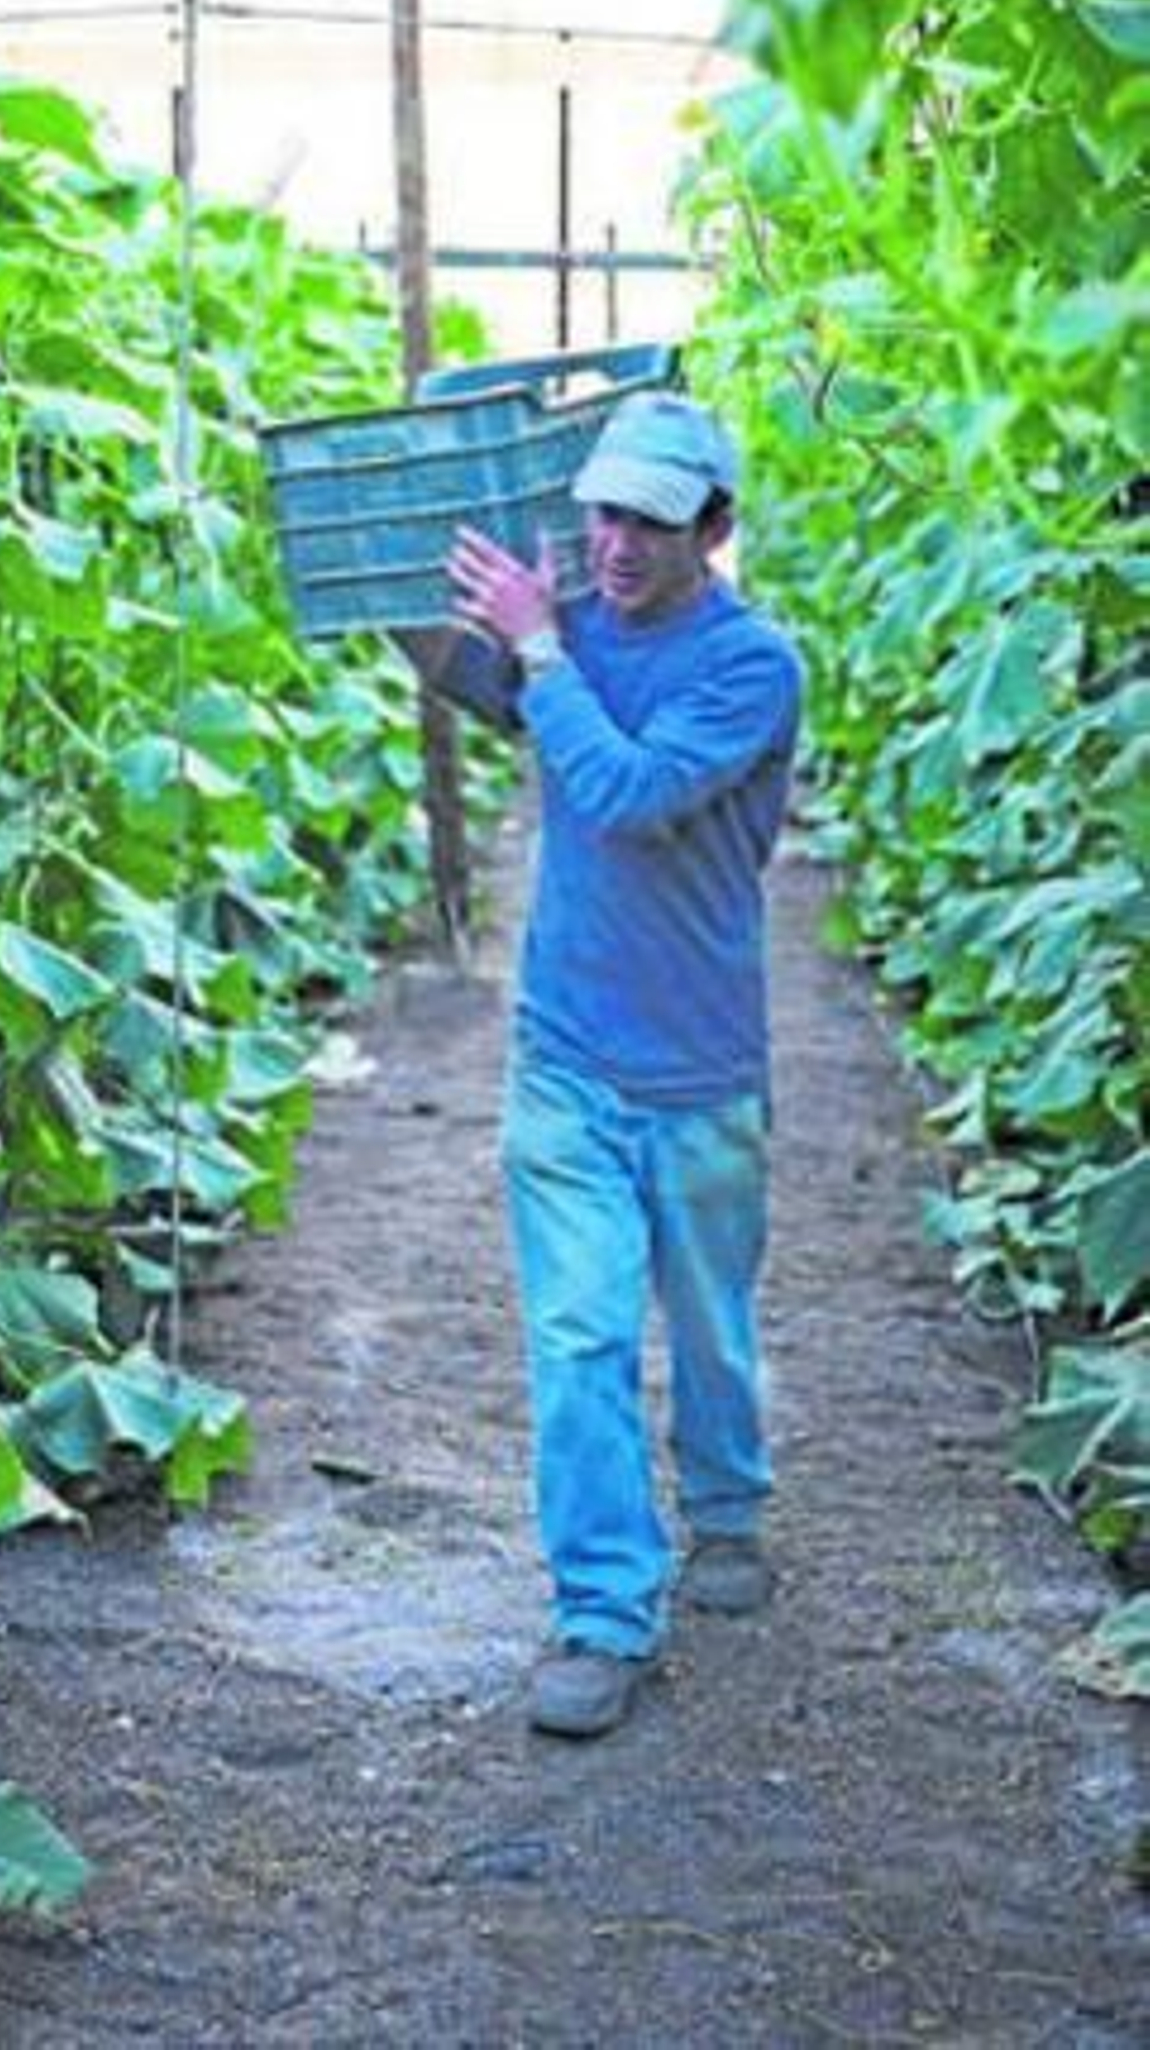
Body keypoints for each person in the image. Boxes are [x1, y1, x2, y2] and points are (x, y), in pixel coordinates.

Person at [447, 388, 803, 1739]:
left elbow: (631, 792)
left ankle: (727, 1505)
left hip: (701, 1066)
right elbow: (469, 671)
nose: (616, 545)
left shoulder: (752, 667)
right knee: (581, 1334)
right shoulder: (572, 627)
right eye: (603, 514)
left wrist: (541, 649)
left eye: (650, 523)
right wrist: (424, 563)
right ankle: (603, 1612)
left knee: (710, 1321)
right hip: (567, 1055)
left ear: (713, 529)